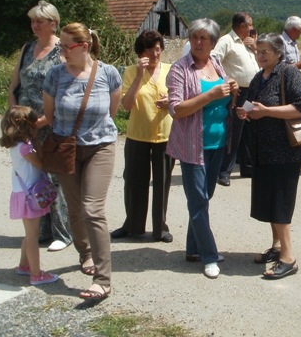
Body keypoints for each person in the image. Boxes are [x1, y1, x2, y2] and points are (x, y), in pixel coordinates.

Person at [43, 23, 122, 300]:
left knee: (92, 210)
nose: (62, 51)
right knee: (75, 208)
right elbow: (50, 116)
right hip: (68, 149)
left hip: (101, 147)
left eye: (66, 46)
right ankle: (85, 253)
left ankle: (103, 280)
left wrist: (91, 131)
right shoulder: (55, 75)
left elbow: (112, 112)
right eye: (60, 46)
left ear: (85, 46)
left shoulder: (109, 73)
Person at [167, 18, 239, 279]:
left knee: (203, 199)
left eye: (203, 38)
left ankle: (193, 249)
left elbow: (223, 96)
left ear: (213, 42)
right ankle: (209, 256)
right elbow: (177, 109)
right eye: (194, 37)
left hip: (218, 143)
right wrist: (211, 95)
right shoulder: (179, 69)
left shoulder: (216, 64)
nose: (197, 42)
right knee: (198, 202)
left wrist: (231, 90)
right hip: (192, 146)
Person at [236, 33, 301, 279]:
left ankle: (289, 258)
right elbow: (254, 105)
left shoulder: (289, 73)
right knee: (269, 201)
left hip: (285, 151)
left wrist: (266, 111)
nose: (260, 55)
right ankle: (277, 247)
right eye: (258, 51)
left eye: (265, 52)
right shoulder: (259, 77)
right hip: (262, 150)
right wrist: (245, 112)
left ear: (279, 53)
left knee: (280, 203)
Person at [7, 1, 72, 253]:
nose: (34, 25)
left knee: (54, 176)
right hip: (24, 127)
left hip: (51, 124)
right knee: (31, 177)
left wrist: (41, 122)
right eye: (32, 21)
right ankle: (42, 230)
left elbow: (66, 93)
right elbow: (14, 85)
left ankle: (62, 232)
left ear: (53, 23)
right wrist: (14, 119)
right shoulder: (27, 48)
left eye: (39, 21)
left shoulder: (62, 51)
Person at [111, 30, 174, 243]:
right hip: (137, 134)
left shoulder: (171, 70)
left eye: (158, 49)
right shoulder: (130, 71)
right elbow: (127, 105)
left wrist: (170, 101)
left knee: (162, 183)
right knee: (134, 182)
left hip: (165, 135)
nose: (155, 54)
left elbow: (181, 98)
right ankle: (133, 225)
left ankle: (160, 228)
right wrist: (139, 75)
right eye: (149, 49)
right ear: (141, 52)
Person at [0, 106, 60, 286]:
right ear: (27, 127)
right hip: (29, 197)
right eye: (33, 125)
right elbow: (42, 163)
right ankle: (36, 274)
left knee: (29, 234)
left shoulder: (16, 145)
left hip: (24, 194)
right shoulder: (25, 149)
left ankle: (24, 265)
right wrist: (38, 144)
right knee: (33, 236)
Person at [211, 12, 260, 186]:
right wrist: (227, 80)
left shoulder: (247, 42)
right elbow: (214, 59)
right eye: (249, 25)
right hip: (237, 93)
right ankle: (223, 171)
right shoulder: (227, 41)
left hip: (250, 92)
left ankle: (247, 167)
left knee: (248, 130)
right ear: (241, 26)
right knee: (234, 132)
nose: (252, 28)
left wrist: (255, 47)